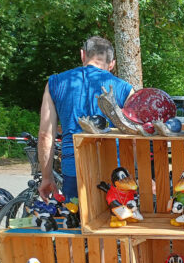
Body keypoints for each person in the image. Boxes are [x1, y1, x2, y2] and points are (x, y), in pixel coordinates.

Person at [38, 36, 133, 201]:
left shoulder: (55, 83)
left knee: (76, 216)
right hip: (117, 173)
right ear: (112, 64)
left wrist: (47, 177)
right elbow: (135, 137)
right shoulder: (125, 89)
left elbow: (45, 135)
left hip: (74, 170)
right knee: (119, 215)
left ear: (83, 55)